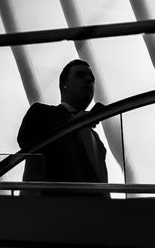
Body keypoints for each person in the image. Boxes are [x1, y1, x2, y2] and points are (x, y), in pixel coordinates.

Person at [17, 59, 106, 193]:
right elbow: (26, 139)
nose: (89, 80)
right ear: (64, 85)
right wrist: (75, 122)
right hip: (50, 207)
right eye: (81, 75)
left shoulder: (97, 140)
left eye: (92, 79)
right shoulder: (41, 112)